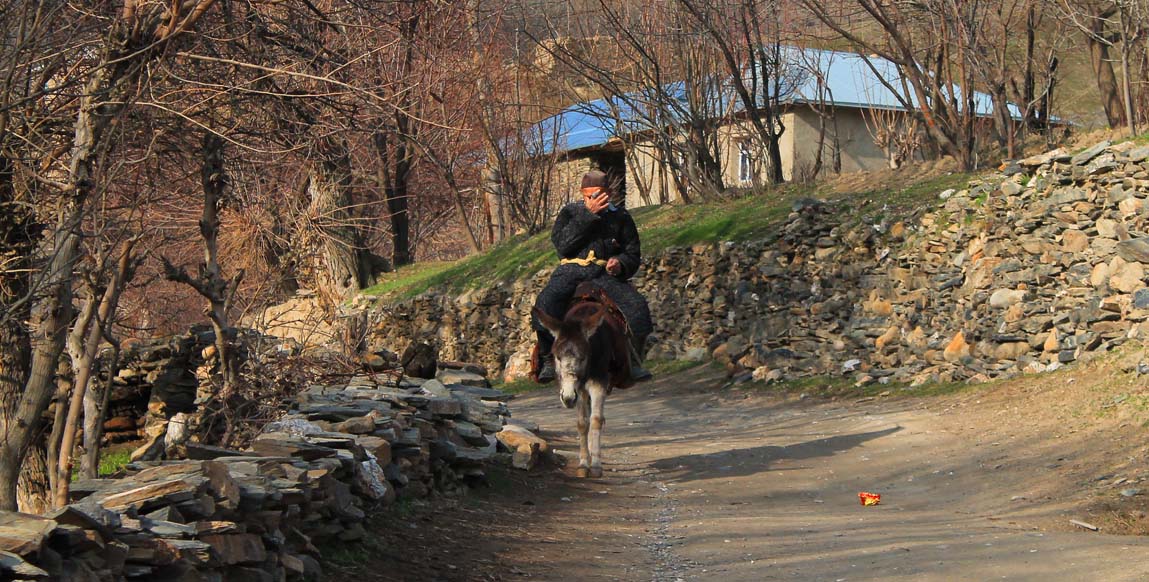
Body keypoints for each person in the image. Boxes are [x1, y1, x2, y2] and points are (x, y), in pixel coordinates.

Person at [532, 170, 653, 383]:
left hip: (603, 273)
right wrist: (588, 215)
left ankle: (633, 361)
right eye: (589, 195)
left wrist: (621, 263)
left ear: (608, 193)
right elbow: (562, 245)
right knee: (545, 304)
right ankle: (548, 360)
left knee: (637, 307)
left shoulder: (621, 217)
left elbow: (632, 252)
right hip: (570, 271)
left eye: (598, 195)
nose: (593, 199)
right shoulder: (570, 213)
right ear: (582, 194)